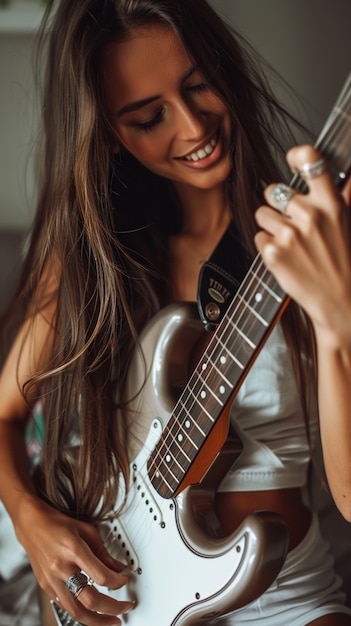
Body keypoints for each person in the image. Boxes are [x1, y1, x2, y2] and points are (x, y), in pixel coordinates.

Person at [0, 1, 350, 625]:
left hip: (285, 596)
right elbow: (5, 410)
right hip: (132, 592)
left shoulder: (317, 240)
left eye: (198, 85)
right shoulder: (90, 257)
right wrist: (29, 520)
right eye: (149, 116)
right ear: (108, 133)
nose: (193, 127)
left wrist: (337, 315)